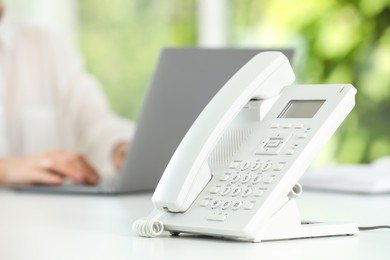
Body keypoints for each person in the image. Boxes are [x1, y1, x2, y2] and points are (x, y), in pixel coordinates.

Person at [0, 2, 135, 186]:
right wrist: (5, 169)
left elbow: (95, 124)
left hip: (48, 213)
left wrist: (120, 148)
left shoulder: (47, 45)